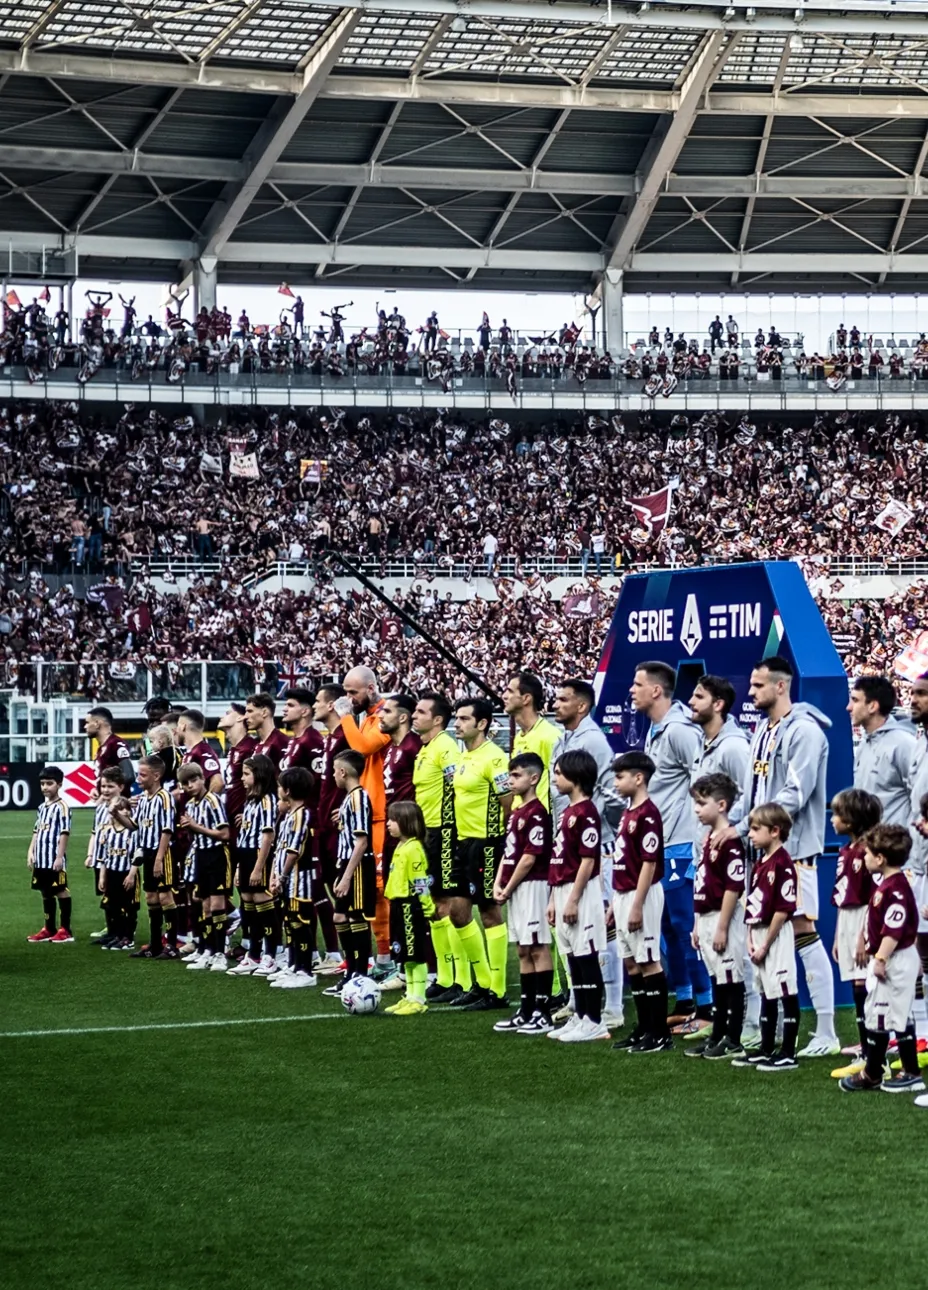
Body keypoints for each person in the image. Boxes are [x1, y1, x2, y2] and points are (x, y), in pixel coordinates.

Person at [734, 655, 838, 1058]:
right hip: (760, 855)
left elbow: (794, 794)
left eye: (758, 685)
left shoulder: (806, 732)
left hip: (795, 854)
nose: (751, 691)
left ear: (781, 686)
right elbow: (750, 792)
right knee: (762, 939)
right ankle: (767, 1032)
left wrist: (743, 828)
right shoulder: (762, 730)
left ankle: (826, 1030)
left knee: (803, 933)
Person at [631, 660, 711, 1030]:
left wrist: (698, 839)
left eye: (637, 684)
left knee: (683, 925)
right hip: (661, 844)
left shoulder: (680, 730)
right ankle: (684, 998)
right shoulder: (657, 729)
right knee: (666, 926)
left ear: (656, 690)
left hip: (680, 843)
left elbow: (703, 783)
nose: (631, 690)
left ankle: (706, 1005)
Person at [551, 677, 623, 1024]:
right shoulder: (564, 738)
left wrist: (600, 828)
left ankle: (611, 1006)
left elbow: (609, 794)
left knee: (600, 928)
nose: (557, 704)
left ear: (582, 705)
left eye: (564, 699)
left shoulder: (593, 741)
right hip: (568, 842)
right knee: (572, 931)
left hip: (597, 844)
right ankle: (581, 999)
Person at [840, 824, 924, 1095]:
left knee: (896, 1015)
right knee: (879, 1014)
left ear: (880, 858)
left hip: (895, 960)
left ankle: (907, 1073)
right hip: (891, 958)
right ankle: (874, 1071)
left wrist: (880, 958)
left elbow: (894, 929)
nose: (863, 858)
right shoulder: (886, 885)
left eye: (867, 854)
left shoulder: (896, 889)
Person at [446, 696, 512, 1011]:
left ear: (482, 723)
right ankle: (482, 982)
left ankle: (496, 991)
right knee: (458, 912)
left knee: (488, 912)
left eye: (463, 719)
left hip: (487, 843)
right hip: (462, 843)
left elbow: (508, 803)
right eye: (456, 718)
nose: (457, 724)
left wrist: (508, 843)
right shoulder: (462, 757)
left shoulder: (494, 758)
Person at [333, 667, 393, 982]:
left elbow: (363, 749)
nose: (348, 698)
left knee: (381, 891)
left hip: (383, 816)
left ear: (371, 688)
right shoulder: (368, 716)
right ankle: (383, 956)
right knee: (374, 891)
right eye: (345, 692)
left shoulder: (385, 714)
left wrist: (344, 717)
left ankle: (386, 957)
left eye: (353, 692)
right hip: (370, 814)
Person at [546, 749, 608, 1043]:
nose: (555, 778)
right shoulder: (568, 812)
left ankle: (595, 1020)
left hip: (579, 891)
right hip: (562, 889)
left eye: (559, 773)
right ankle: (580, 1016)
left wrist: (572, 898)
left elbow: (588, 860)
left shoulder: (586, 813)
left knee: (586, 956)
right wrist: (552, 900)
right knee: (572, 956)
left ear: (576, 777)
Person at [610, 751, 670, 1053]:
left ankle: (660, 1032)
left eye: (620, 776)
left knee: (648, 961)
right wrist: (614, 903)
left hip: (640, 895)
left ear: (638, 778)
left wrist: (636, 904)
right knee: (632, 962)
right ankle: (644, 1027)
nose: (616, 782)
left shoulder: (648, 813)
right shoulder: (628, 812)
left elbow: (649, 862)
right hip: (623, 893)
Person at [735, 803, 801, 1072]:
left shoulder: (783, 863)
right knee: (766, 991)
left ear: (775, 831)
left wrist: (765, 943)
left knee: (785, 990)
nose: (749, 834)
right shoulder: (761, 862)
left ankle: (787, 1052)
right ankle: (766, 1047)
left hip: (776, 934)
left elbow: (783, 909)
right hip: (759, 932)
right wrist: (751, 937)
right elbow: (752, 902)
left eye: (755, 829)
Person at [492, 752, 554, 1035]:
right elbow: (509, 853)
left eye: (516, 775)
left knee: (538, 945)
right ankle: (526, 1009)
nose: (510, 780)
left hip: (533, 886)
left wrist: (508, 886)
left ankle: (543, 1011)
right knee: (522, 947)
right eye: (510, 774)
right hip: (515, 887)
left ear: (534, 778)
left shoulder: (538, 813)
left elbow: (529, 858)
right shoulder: (516, 812)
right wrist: (497, 882)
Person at [687, 773, 747, 1060]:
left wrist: (722, 927)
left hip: (724, 919)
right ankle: (717, 1034)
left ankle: (732, 1038)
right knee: (717, 978)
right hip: (707, 916)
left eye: (701, 803)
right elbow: (702, 881)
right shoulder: (707, 837)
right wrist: (697, 924)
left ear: (721, 805)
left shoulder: (730, 841)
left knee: (730, 979)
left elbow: (733, 887)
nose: (697, 809)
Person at [412, 691, 465, 1002]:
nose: (415, 716)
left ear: (437, 720)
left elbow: (454, 786)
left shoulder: (445, 747)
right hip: (427, 832)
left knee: (443, 905)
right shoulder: (426, 748)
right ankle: (445, 977)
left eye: (421, 712)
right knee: (434, 907)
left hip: (441, 831)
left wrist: (449, 830)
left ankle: (457, 978)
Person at [828, 788, 883, 1080]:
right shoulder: (846, 850)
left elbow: (874, 897)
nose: (833, 819)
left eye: (837, 814)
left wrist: (863, 936)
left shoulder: (868, 852)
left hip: (863, 919)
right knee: (855, 982)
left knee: (865, 986)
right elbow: (842, 896)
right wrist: (839, 935)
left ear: (852, 820)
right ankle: (866, 1047)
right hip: (848, 918)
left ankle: (873, 1054)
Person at [324, 749, 375, 995]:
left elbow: (362, 841)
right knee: (340, 917)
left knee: (356, 918)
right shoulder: (349, 799)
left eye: (334, 771)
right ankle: (351, 971)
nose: (333, 776)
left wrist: (346, 877)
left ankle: (360, 974)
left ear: (343, 772)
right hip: (346, 863)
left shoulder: (358, 797)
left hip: (356, 865)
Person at [227, 755, 279, 977]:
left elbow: (267, 835)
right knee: (248, 902)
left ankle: (271, 956)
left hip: (260, 856)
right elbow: (245, 834)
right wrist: (240, 867)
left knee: (263, 902)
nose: (242, 778)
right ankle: (254, 954)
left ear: (259, 774)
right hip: (245, 855)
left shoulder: (268, 800)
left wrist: (259, 867)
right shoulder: (250, 800)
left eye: (246, 774)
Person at [177, 763, 231, 972]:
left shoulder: (213, 801)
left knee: (217, 905)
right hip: (200, 856)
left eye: (193, 780)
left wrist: (195, 827)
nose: (190, 785)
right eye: (185, 783)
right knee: (204, 905)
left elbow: (224, 834)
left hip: (216, 854)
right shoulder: (191, 805)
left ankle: (220, 953)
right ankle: (207, 950)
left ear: (202, 779)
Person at [383, 800, 435, 1016]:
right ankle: (410, 995)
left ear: (405, 822)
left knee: (415, 954)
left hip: (409, 906)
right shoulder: (401, 846)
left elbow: (419, 880)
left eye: (392, 820)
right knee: (405, 955)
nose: (388, 824)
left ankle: (419, 998)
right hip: (397, 905)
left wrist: (427, 906)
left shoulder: (413, 848)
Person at [268, 766, 317, 990]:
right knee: (291, 923)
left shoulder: (301, 815)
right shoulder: (290, 815)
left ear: (287, 790)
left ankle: (306, 970)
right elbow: (281, 848)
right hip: (289, 880)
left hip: (300, 880)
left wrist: (283, 875)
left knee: (300, 923)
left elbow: (294, 850)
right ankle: (295, 965)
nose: (278, 789)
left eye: (279, 786)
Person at [312, 683, 349, 975]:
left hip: (339, 826)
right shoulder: (330, 738)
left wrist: (348, 805)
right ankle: (340, 955)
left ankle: (354, 958)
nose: (315, 706)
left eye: (318, 701)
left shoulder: (347, 736)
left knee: (344, 891)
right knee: (327, 885)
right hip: (324, 824)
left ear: (332, 705)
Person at [128, 754, 178, 960]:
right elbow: (134, 825)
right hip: (147, 852)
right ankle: (155, 944)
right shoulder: (144, 800)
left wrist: (159, 858)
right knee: (151, 897)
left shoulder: (164, 797)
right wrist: (116, 814)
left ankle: (172, 944)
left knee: (165, 895)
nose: (138, 779)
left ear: (156, 776)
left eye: (142, 774)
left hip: (162, 852)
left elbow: (167, 830)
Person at [849, 676, 915, 825]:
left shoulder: (903, 744)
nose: (849, 707)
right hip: (868, 844)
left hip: (896, 845)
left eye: (855, 700)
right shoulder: (864, 745)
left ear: (872, 706)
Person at [26, 766, 73, 944]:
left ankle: (66, 929)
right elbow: (37, 830)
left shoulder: (62, 808)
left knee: (60, 890)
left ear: (59, 784)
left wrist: (59, 857)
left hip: (54, 858)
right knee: (45, 892)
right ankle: (49, 928)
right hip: (41, 858)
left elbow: (64, 832)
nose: (45, 787)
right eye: (43, 784)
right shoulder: (42, 808)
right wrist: (31, 851)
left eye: (49, 783)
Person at [95, 767, 140, 951]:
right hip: (112, 871)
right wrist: (102, 875)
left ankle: (127, 937)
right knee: (113, 905)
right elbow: (105, 855)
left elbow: (137, 854)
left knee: (128, 907)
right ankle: (118, 935)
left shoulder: (132, 833)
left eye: (125, 812)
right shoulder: (108, 830)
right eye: (102, 786)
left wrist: (132, 874)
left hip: (127, 873)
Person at [504, 671, 561, 812]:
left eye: (510, 691)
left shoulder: (550, 736)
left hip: (539, 821)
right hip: (521, 817)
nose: (504, 696)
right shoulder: (520, 736)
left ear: (526, 699)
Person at [218, 702, 256, 845]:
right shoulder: (234, 749)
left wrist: (249, 811)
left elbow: (256, 783)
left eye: (228, 713)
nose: (222, 717)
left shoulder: (249, 748)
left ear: (240, 718)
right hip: (231, 819)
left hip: (243, 822)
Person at [85, 706, 134, 793]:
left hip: (117, 804)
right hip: (106, 804)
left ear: (97, 724)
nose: (85, 727)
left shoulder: (116, 744)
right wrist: (97, 789)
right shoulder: (102, 748)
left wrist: (110, 793)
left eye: (87, 723)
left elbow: (129, 776)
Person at [245, 692, 289, 769]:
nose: (245, 716)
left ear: (264, 712)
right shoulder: (255, 744)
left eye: (250, 711)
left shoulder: (281, 742)